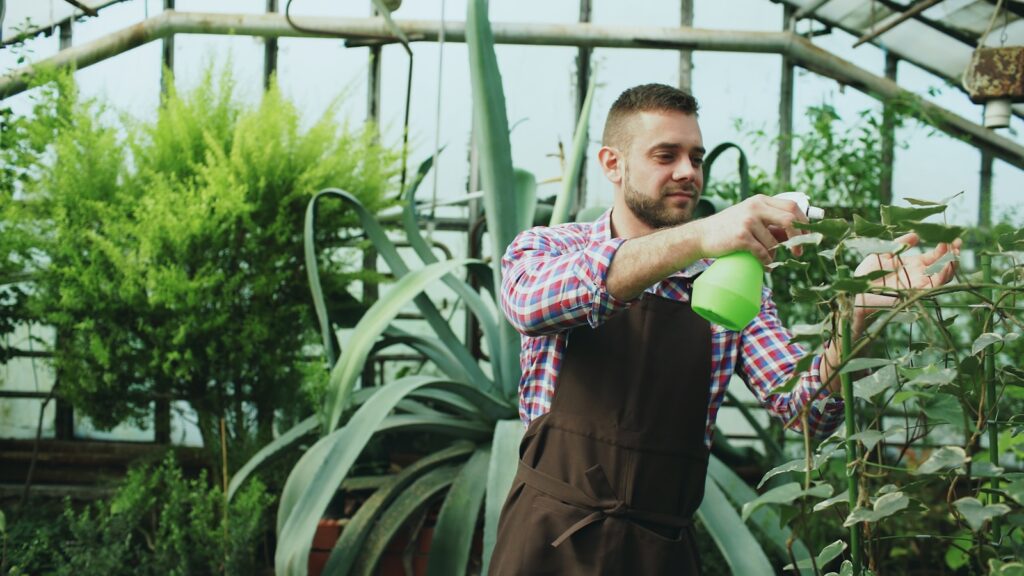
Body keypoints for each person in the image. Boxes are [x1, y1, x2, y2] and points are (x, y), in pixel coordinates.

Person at [487, 83, 960, 574]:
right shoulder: (545, 249)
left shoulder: (731, 279)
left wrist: (857, 319)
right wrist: (700, 237)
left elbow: (806, 411)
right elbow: (529, 305)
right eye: (666, 155)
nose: (687, 172)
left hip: (660, 549)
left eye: (696, 157)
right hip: (546, 542)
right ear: (612, 163)